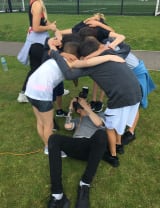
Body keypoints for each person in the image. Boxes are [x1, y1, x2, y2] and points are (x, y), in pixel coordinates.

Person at [49, 37, 142, 167]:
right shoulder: (110, 53)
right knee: (120, 122)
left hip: (120, 97)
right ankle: (119, 145)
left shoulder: (92, 64)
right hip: (136, 92)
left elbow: (69, 75)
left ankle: (113, 156)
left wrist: (55, 53)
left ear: (85, 55)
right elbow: (126, 47)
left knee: (110, 127)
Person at [24, 37, 124, 155]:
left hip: (30, 88)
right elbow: (87, 62)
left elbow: (52, 47)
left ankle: (47, 146)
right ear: (74, 56)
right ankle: (52, 150)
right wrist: (109, 56)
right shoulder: (71, 62)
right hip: (41, 93)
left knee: (40, 121)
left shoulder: (58, 56)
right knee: (48, 124)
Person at [47, 97, 108, 208]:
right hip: (76, 146)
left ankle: (84, 184)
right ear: (78, 111)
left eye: (87, 104)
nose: (87, 105)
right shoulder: (77, 120)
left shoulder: (100, 115)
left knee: (102, 135)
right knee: (53, 138)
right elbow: (67, 126)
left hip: (91, 147)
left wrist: (86, 107)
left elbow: (99, 123)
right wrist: (70, 108)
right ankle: (57, 195)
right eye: (82, 106)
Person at [17, 0, 69, 104]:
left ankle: (57, 90)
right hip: (37, 43)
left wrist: (55, 29)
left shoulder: (37, 3)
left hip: (38, 41)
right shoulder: (37, 4)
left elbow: (43, 21)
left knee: (41, 67)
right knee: (44, 67)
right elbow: (36, 27)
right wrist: (50, 27)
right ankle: (24, 94)